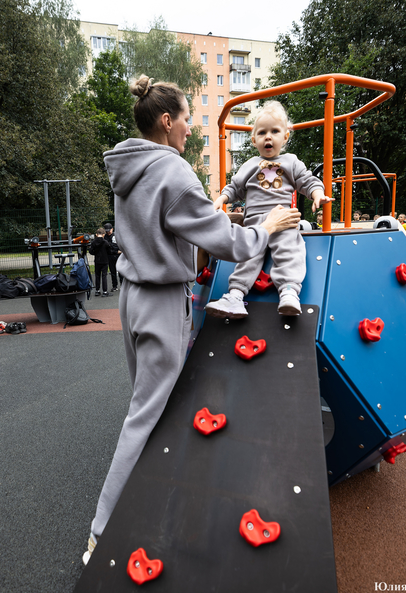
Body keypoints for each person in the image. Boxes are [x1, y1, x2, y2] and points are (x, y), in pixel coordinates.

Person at [83, 75, 301, 565]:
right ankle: (101, 532)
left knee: (146, 405)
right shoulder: (175, 172)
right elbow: (233, 245)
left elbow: (171, 227)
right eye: (185, 119)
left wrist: (224, 223)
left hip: (132, 295)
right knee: (145, 416)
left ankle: (148, 492)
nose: (189, 129)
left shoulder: (129, 168)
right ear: (167, 121)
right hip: (161, 302)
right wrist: (265, 227)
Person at [206, 100, 330, 317]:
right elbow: (235, 186)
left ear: (285, 136)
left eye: (275, 131)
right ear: (254, 140)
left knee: (290, 250)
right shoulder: (249, 165)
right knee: (247, 257)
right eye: (262, 132)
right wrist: (222, 198)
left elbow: (307, 180)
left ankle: (289, 291)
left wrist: (317, 194)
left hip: (281, 220)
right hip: (255, 225)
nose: (268, 137)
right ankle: (235, 295)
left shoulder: (291, 162)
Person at [88, 227, 111, 297]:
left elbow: (91, 251)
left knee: (97, 275)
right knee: (104, 276)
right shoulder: (106, 242)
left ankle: (97, 291)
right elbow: (109, 251)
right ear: (103, 234)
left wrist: (95, 253)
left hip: (97, 260)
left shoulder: (94, 242)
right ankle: (105, 291)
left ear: (96, 234)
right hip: (105, 260)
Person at [104, 223, 120, 291]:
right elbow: (107, 247)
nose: (108, 232)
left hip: (117, 256)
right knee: (112, 272)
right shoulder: (105, 237)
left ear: (112, 229)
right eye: (107, 231)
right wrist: (114, 250)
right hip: (110, 256)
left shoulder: (116, 236)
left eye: (109, 230)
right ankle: (115, 286)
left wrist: (110, 246)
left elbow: (116, 246)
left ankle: (122, 285)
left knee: (121, 272)